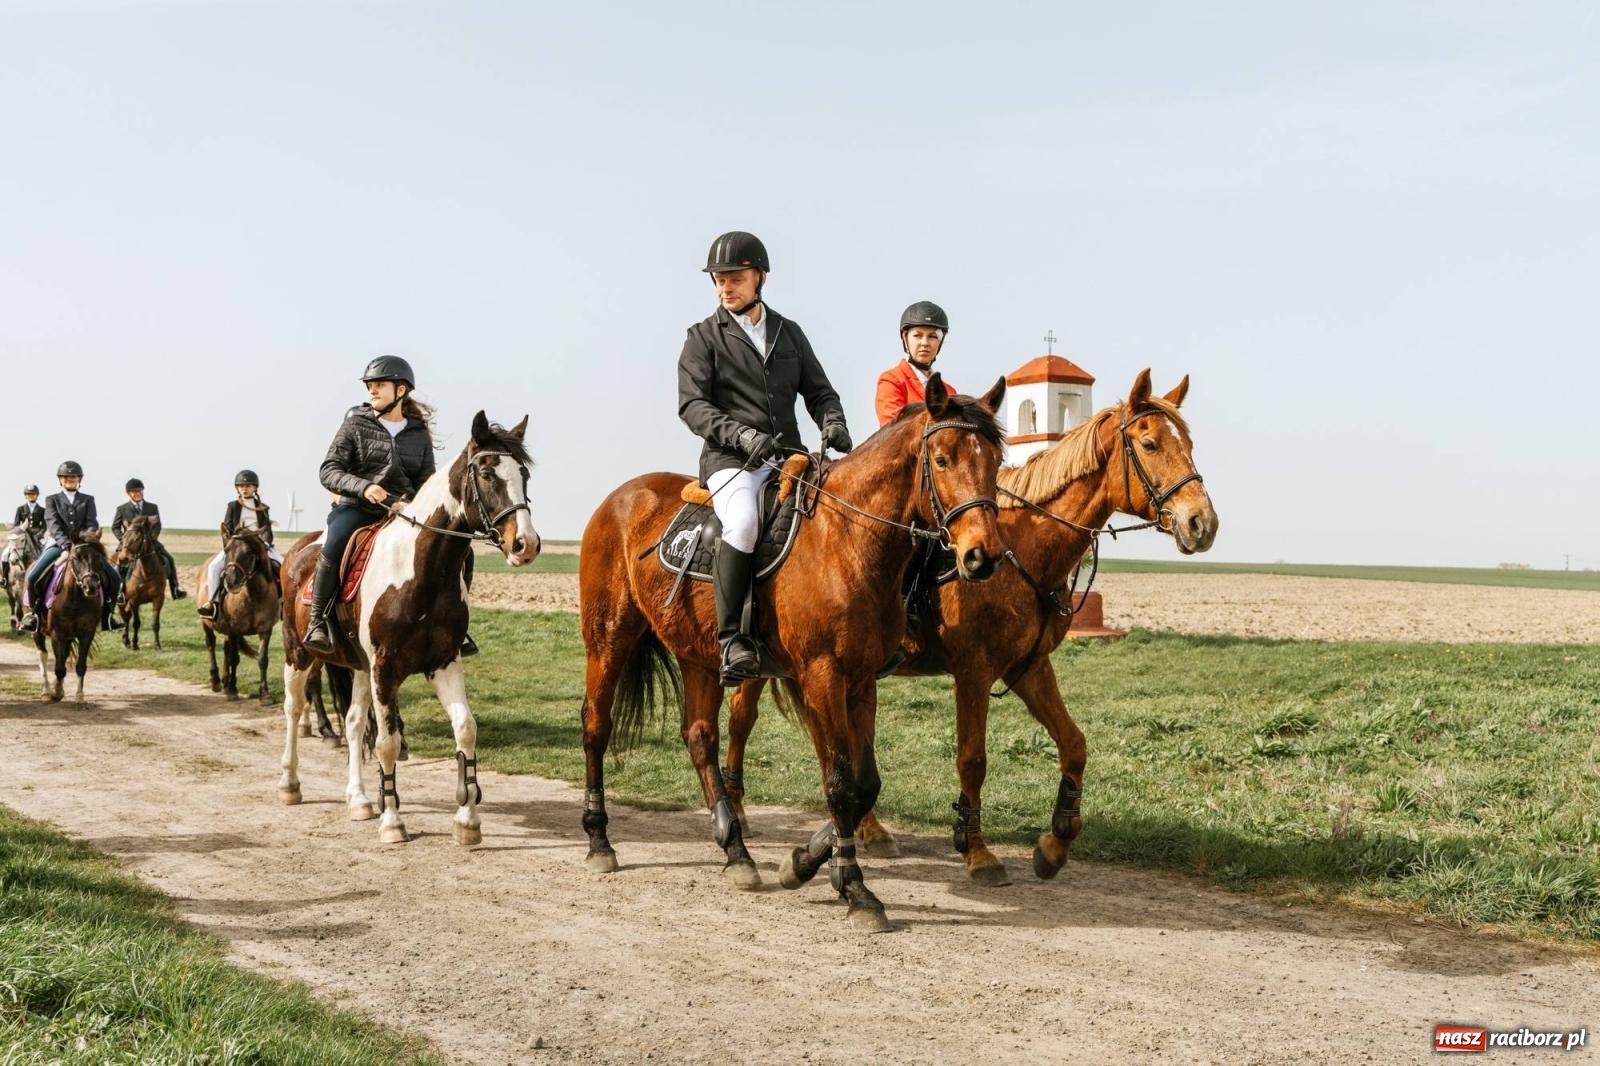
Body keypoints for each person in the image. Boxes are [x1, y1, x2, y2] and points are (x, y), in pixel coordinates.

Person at [677, 230, 852, 684]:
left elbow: (820, 391)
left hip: (790, 458)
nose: (724, 287)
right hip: (731, 462)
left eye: (734, 277)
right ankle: (733, 640)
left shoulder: (789, 333)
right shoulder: (702, 337)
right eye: (718, 279)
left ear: (760, 277)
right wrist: (740, 435)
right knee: (743, 521)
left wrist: (833, 422)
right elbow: (692, 406)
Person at [302, 357, 477, 656]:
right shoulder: (355, 425)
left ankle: (452, 624)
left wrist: (416, 504)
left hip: (403, 511)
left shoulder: (417, 433)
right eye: (370, 385)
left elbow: (425, 480)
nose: (372, 390)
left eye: (379, 385)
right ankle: (318, 621)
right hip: (358, 507)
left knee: (462, 550)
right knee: (335, 542)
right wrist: (365, 487)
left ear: (401, 390)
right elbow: (329, 470)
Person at [18, 461, 122, 632]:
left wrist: (86, 540)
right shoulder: (52, 500)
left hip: (84, 546)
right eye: (66, 477)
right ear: (60, 479)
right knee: (33, 576)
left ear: (79, 479)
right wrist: (67, 544)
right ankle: (34, 615)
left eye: (73, 477)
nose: (70, 479)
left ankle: (108, 616)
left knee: (115, 577)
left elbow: (91, 522)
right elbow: (53, 523)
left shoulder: (88, 499)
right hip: (59, 545)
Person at [196, 470, 283, 619]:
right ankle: (213, 603)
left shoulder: (263, 508)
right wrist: (229, 548)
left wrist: (266, 544)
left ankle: (283, 604)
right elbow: (226, 530)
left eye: (248, 486)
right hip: (236, 548)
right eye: (241, 486)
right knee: (213, 567)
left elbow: (267, 530)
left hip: (259, 547)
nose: (245, 488)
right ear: (237, 488)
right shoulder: (232, 506)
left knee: (283, 565)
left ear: (255, 488)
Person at [874, 301, 954, 427]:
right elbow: (893, 430)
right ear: (906, 339)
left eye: (932, 336)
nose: (925, 343)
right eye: (917, 335)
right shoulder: (891, 380)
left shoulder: (950, 392)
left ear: (940, 342)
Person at [111, 478, 187, 601]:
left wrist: (152, 538)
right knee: (119, 565)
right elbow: (115, 527)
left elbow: (157, 525)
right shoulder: (122, 509)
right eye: (134, 491)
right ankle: (120, 591)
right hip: (129, 545)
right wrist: (124, 540)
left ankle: (175, 588)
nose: (138, 493)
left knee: (169, 559)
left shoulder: (152, 507)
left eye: (140, 491)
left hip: (150, 543)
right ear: (128, 493)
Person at [1, 484, 45, 586]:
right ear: (25, 496)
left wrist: (39, 534)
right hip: (22, 536)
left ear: (37, 495)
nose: (31, 496)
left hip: (37, 536)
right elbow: (16, 525)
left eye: (33, 494)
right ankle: (4, 578)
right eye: (29, 494)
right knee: (5, 554)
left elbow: (44, 526)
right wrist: (20, 533)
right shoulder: (20, 509)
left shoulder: (42, 510)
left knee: (47, 551)